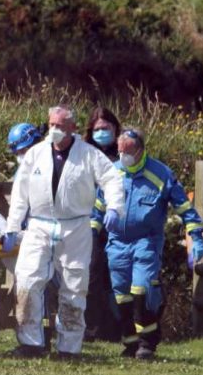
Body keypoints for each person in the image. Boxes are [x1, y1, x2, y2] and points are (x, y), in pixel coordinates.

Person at [3, 105, 125, 358]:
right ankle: (31, 343)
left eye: (60, 126)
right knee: (26, 280)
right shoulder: (35, 154)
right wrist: (12, 227)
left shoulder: (89, 155)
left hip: (76, 226)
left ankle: (69, 347)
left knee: (74, 286)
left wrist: (115, 207)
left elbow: (112, 179)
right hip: (38, 224)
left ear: (73, 128)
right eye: (51, 125)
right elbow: (20, 193)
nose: (55, 130)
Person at [102, 128, 203, 359]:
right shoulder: (113, 172)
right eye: (119, 151)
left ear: (140, 150)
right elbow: (98, 205)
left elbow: (185, 208)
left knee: (143, 289)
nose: (122, 156)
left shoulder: (161, 175)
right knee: (120, 295)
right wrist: (91, 230)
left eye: (127, 151)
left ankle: (147, 342)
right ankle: (129, 342)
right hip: (117, 242)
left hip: (146, 241)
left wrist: (196, 236)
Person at [83, 107, 122, 342]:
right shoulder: (84, 154)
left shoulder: (124, 154)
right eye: (97, 129)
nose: (101, 133)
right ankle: (91, 328)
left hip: (117, 223)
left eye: (106, 129)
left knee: (116, 278)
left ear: (115, 128)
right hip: (90, 224)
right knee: (92, 276)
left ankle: (116, 329)